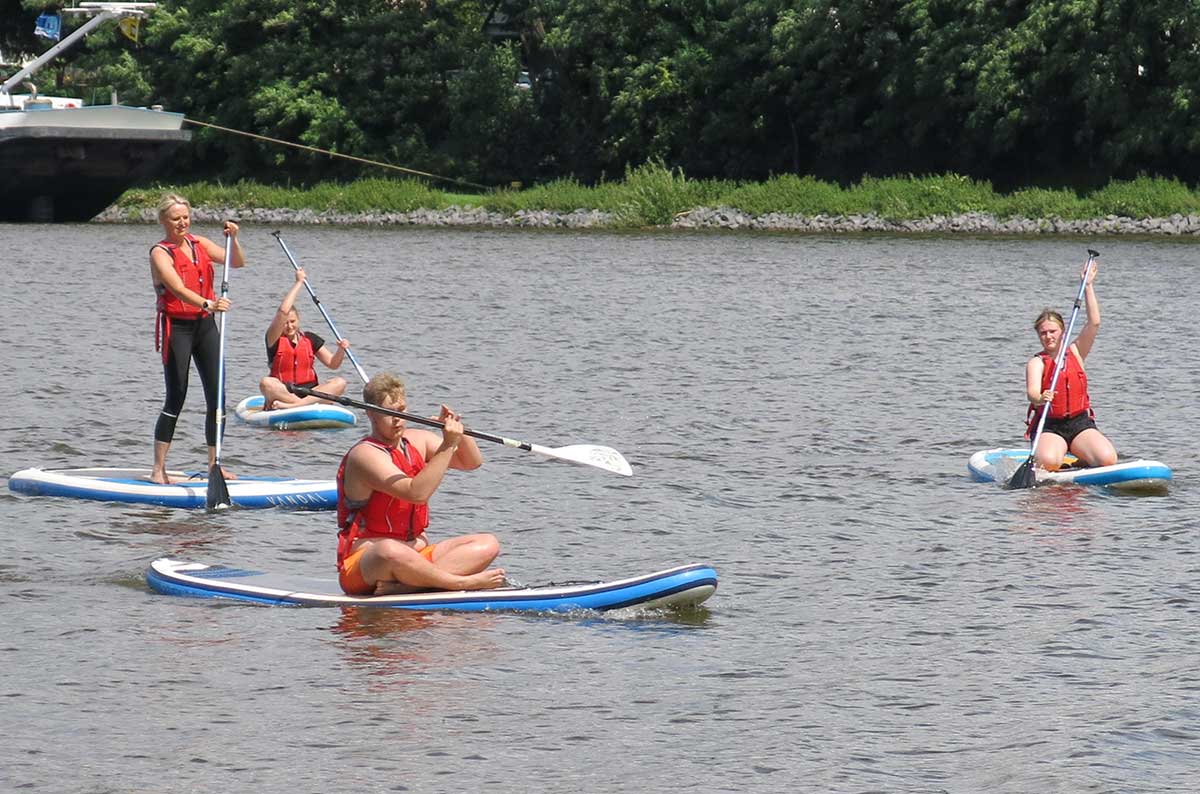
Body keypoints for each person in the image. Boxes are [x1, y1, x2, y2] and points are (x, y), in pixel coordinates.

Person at [335, 373, 505, 595]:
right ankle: (462, 583)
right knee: (389, 550)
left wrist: (458, 432)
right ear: (371, 414)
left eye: (402, 410)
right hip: (367, 565)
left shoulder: (417, 439)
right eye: (389, 413)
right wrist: (447, 444)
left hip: (416, 557)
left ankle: (406, 587)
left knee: (488, 543)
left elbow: (471, 462)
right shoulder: (365, 455)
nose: (397, 419)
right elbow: (417, 493)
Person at [149, 193, 246, 485]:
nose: (182, 222)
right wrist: (208, 303)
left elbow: (237, 262)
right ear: (164, 221)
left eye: (186, 217)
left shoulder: (199, 243)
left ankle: (215, 464)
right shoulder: (159, 252)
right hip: (177, 328)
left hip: (205, 327)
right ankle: (158, 469)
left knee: (217, 396)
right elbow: (177, 289)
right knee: (176, 397)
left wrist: (234, 239)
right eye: (176, 218)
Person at [1024, 260, 1118, 471]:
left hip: (1079, 423)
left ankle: (1080, 460)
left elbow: (1094, 322)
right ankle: (1052, 456)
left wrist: (1088, 286)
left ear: (1062, 332)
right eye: (1043, 333)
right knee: (1048, 462)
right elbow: (1032, 392)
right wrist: (1040, 398)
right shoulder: (1036, 362)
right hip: (1050, 426)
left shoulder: (1075, 351)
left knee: (1108, 459)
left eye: (1052, 331)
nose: (1048, 336)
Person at [259, 266, 351, 410]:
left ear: (299, 320)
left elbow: (333, 364)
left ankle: (296, 405)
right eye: (285, 323)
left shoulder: (310, 338)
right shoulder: (273, 339)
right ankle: (298, 404)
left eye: (293, 322)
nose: (289, 326)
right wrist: (298, 283)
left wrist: (341, 350)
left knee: (340, 382)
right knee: (266, 383)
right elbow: (283, 312)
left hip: (310, 394)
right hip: (285, 392)